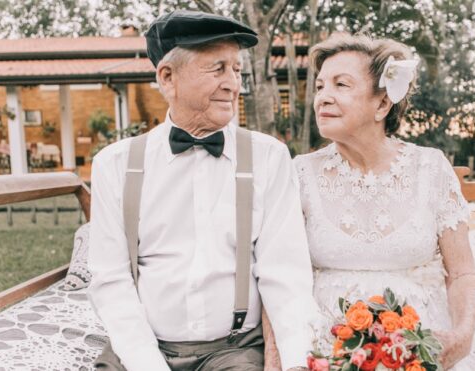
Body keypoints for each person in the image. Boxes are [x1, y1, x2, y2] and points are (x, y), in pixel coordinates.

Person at [294, 33, 475, 370]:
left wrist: (462, 336)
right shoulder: (299, 174)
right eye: (321, 86)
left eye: (341, 85)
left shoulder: (431, 168)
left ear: (382, 104)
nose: (323, 97)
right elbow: (279, 275)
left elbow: (462, 275)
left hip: (421, 349)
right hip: (327, 352)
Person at [88, 10, 314, 371]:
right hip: (143, 346)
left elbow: (285, 275)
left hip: (234, 351)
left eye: (237, 70)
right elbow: (110, 280)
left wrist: (297, 361)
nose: (233, 84)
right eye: (217, 68)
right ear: (167, 77)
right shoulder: (114, 165)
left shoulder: (268, 157)